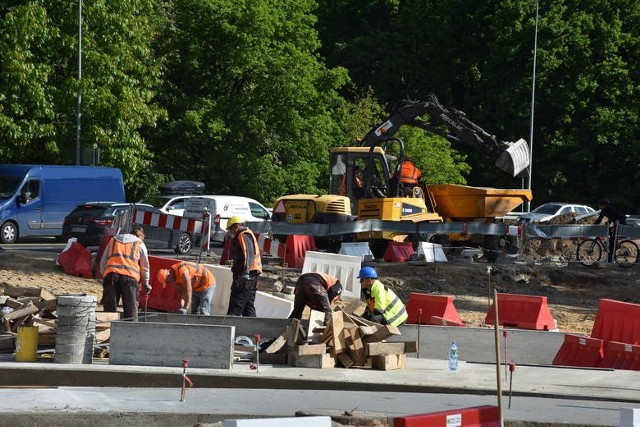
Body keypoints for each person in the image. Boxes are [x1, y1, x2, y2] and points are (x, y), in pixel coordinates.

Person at [100, 225, 151, 321]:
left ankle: (107, 332)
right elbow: (145, 266)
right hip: (130, 278)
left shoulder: (114, 240)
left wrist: (104, 275)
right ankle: (129, 333)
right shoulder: (139, 243)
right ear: (140, 235)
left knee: (109, 310)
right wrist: (146, 283)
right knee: (131, 310)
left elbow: (103, 260)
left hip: (111, 276)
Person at [226, 215, 262, 317]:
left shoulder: (243, 235)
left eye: (230, 229)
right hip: (252, 276)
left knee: (236, 305)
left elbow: (249, 254)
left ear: (236, 226)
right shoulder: (246, 234)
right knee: (248, 307)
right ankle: (253, 332)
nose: (230, 232)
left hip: (246, 277)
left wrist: (245, 273)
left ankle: (228, 329)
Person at [595, 198, 627, 262]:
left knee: (612, 240)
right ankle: (611, 253)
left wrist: (607, 223)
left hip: (621, 222)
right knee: (610, 235)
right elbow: (599, 219)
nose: (600, 207)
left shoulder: (611, 209)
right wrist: (593, 225)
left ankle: (611, 257)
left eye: (601, 205)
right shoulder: (603, 210)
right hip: (615, 222)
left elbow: (612, 218)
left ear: (605, 205)